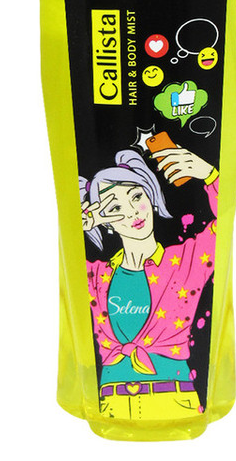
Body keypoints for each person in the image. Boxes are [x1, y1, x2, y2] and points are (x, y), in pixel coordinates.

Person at [79, 144, 219, 420]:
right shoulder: (95, 275)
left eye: (136, 196)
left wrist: (210, 176)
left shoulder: (186, 261)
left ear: (151, 196)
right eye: (115, 208)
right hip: (110, 404)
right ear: (106, 223)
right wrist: (78, 224)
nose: (132, 212)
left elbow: (224, 226)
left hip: (174, 400)